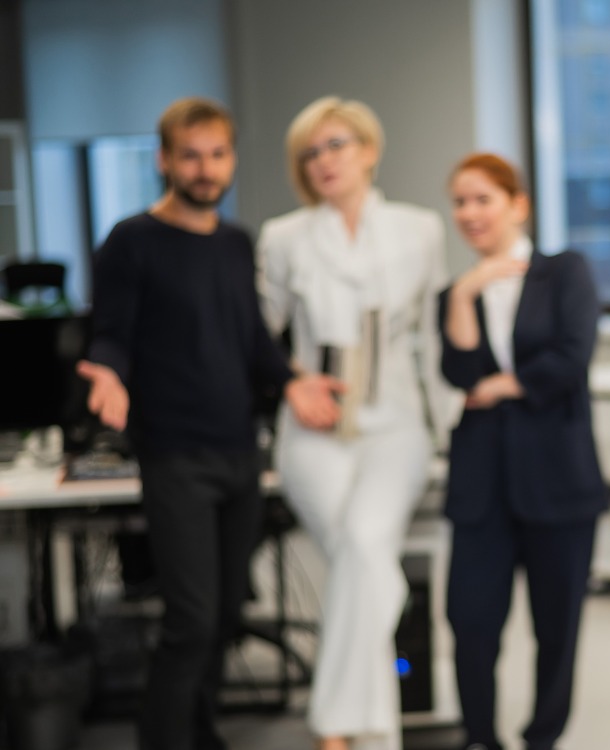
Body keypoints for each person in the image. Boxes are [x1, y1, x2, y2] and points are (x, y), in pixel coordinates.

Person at [78, 97, 341, 750]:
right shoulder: (132, 240)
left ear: (230, 158)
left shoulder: (235, 242)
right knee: (191, 620)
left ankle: (198, 729)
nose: (205, 168)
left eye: (217, 154)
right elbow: (110, 332)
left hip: (239, 452)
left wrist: (293, 380)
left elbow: (253, 339)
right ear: (165, 160)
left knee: (224, 615)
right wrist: (107, 371)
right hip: (176, 456)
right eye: (190, 155)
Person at [257, 96, 453, 750]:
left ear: (369, 150)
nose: (324, 162)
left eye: (336, 145)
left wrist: (444, 427)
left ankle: (333, 730)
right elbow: (259, 338)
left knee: (365, 547)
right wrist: (290, 384)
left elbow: (429, 339)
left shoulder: (419, 229)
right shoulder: (283, 238)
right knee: (364, 561)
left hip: (394, 419)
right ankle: (371, 734)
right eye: (310, 153)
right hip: (315, 424)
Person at [439, 153, 607, 750]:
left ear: (518, 205)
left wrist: (507, 385)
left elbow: (571, 356)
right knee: (470, 620)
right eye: (460, 201)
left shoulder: (565, 271)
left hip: (558, 479)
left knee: (556, 626)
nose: (470, 212)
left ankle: (542, 739)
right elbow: (460, 372)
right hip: (481, 482)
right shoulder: (457, 292)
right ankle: (479, 736)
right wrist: (464, 294)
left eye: (483, 198)